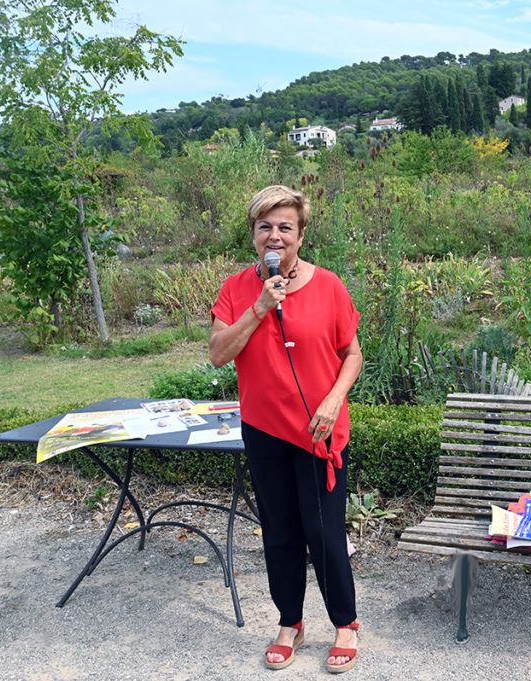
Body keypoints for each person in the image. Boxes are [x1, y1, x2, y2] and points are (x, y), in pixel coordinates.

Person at [209, 185, 363, 673]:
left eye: (285, 227)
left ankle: (345, 623)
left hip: (319, 431)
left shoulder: (329, 286)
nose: (274, 236)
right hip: (264, 430)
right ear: (253, 233)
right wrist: (258, 306)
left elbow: (352, 354)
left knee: (323, 532)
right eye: (264, 227)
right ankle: (289, 622)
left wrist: (334, 400)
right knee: (278, 532)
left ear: (300, 234)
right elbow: (218, 353)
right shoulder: (236, 290)